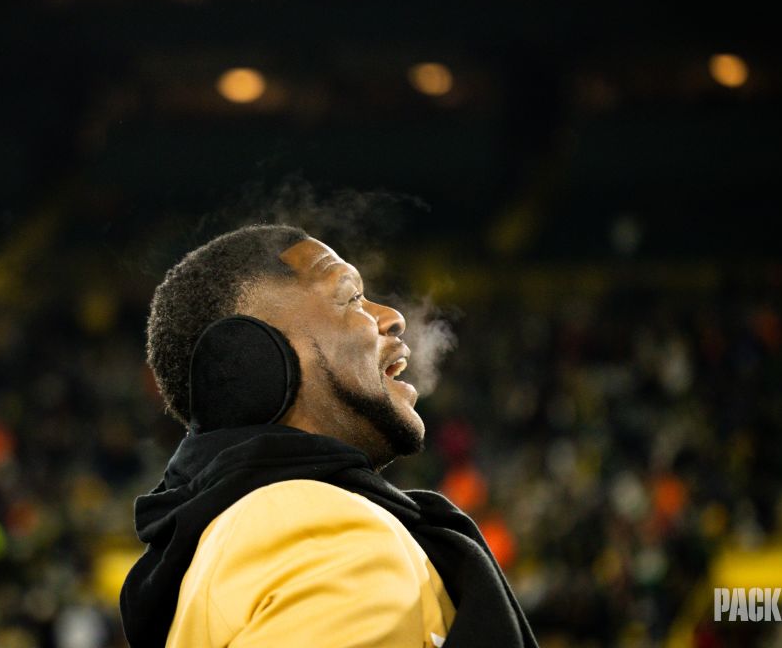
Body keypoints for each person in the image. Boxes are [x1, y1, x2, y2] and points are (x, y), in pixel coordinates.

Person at [120, 224, 537, 648]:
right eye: (351, 296)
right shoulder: (315, 527)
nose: (393, 317)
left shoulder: (215, 544)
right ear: (248, 358)